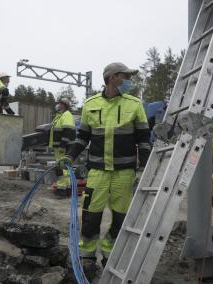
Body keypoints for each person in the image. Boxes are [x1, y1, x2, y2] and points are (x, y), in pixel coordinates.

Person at [59, 62, 151, 269]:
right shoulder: (90, 104)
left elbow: (144, 138)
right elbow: (82, 137)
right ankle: (87, 256)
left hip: (124, 172)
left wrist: (145, 166)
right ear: (112, 77)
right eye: (125, 76)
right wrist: (70, 156)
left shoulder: (135, 104)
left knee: (121, 216)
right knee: (91, 215)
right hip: (97, 172)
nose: (129, 81)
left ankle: (112, 254)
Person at [49, 97, 76, 195]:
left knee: (61, 168)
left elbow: (68, 131)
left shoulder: (66, 115)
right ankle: (67, 188)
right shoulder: (60, 116)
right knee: (65, 168)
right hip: (59, 146)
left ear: (63, 105)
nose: (58, 105)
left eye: (59, 103)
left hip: (63, 147)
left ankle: (61, 189)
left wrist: (62, 145)